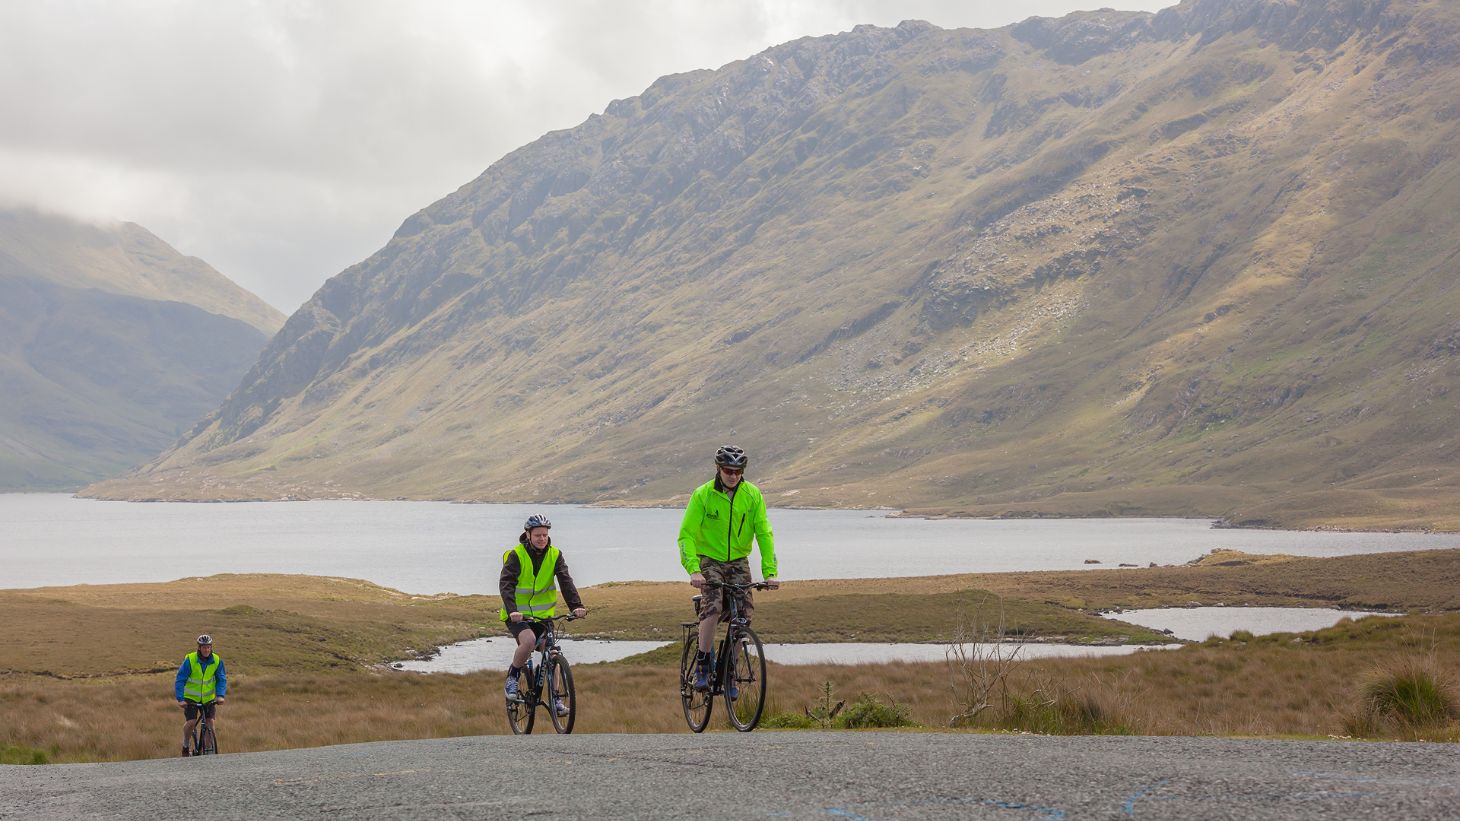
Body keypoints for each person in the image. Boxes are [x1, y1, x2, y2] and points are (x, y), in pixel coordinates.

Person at [677, 444, 779, 692]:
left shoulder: (752, 495)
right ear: (718, 469)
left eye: (737, 471)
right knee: (712, 607)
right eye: (727, 470)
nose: (732, 475)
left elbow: (764, 533)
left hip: (738, 561)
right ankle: (702, 661)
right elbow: (686, 535)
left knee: (744, 616)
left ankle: (730, 669)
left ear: (742, 471)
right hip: (709, 559)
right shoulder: (703, 495)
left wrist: (770, 572)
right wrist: (694, 569)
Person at [500, 513, 587, 715]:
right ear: (528, 535)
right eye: (538, 535)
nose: (542, 539)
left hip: (543, 616)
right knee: (529, 641)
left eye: (545, 535)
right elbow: (506, 585)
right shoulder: (516, 555)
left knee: (553, 654)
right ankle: (512, 678)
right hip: (517, 616)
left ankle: (555, 698)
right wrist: (512, 610)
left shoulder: (555, 555)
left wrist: (576, 606)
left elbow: (565, 581)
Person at [175, 634, 226, 756]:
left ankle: (207, 751)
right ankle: (186, 745)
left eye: (208, 647)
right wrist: (180, 699)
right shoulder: (190, 660)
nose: (206, 650)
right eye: (204, 647)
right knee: (191, 722)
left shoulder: (217, 660)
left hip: (208, 698)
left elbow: (221, 679)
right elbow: (180, 679)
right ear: (199, 648)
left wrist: (220, 695)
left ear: (211, 647)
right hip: (191, 698)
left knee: (210, 723)